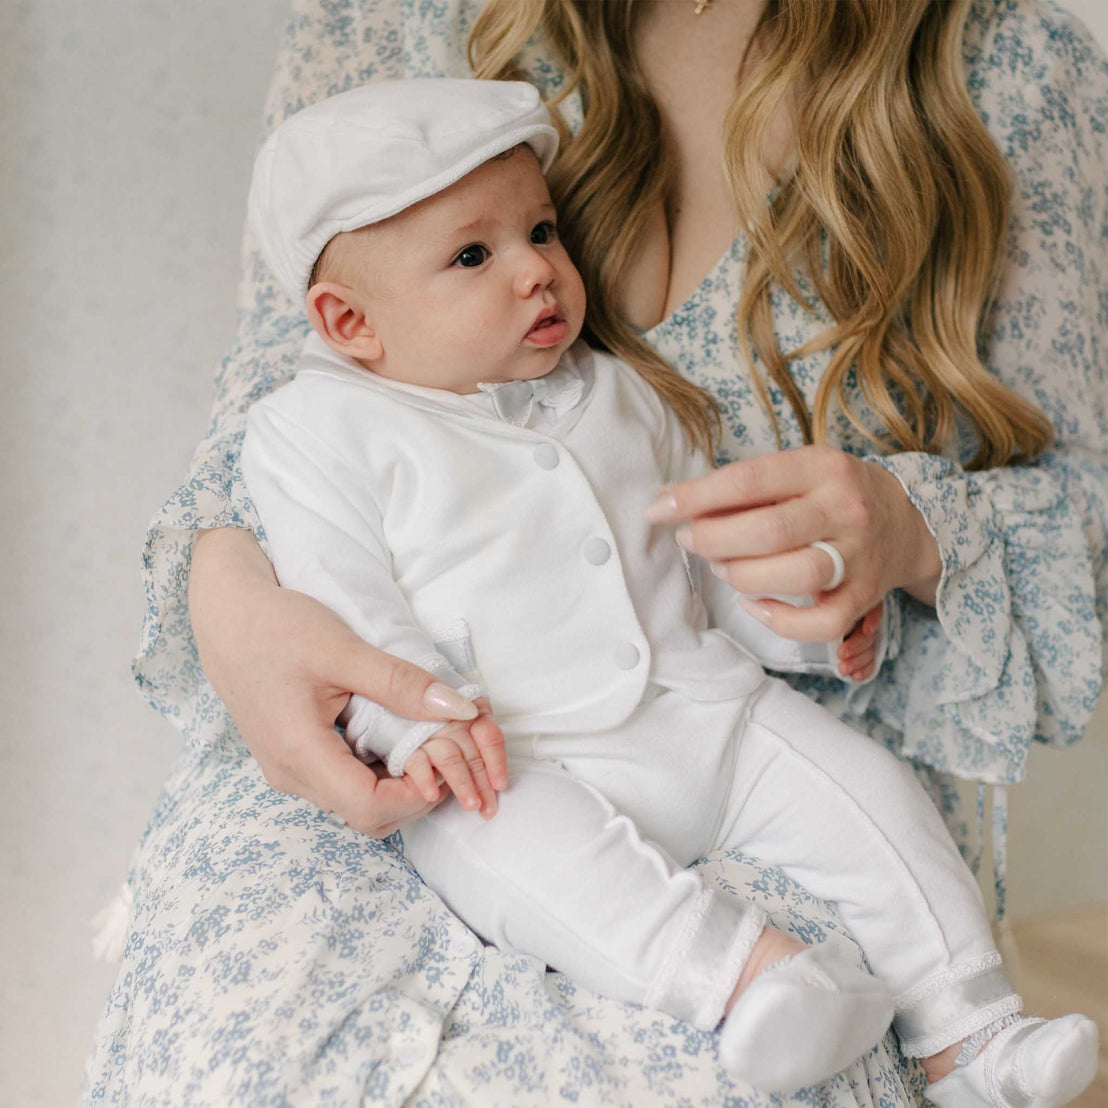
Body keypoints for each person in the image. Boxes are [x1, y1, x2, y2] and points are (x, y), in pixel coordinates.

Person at [84, 1, 1107, 1104]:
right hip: (500, 748)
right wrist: (400, 720)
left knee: (862, 796)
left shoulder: (612, 392)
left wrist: (825, 606)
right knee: (511, 849)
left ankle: (972, 1032)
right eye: (475, 254)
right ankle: (740, 977)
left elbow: (693, 559)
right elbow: (350, 606)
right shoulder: (319, 428)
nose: (534, 273)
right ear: (348, 326)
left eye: (541, 233)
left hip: (707, 707)